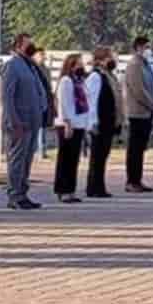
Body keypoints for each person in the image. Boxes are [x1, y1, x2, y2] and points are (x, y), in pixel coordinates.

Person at [0, 36, 49, 210]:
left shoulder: (30, 65)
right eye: (29, 44)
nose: (33, 47)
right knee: (17, 161)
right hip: (19, 122)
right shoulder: (13, 65)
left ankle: (22, 193)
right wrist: (14, 120)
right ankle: (14, 195)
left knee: (26, 160)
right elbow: (7, 96)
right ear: (19, 46)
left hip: (32, 121)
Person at [121, 36, 153, 193]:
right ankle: (131, 181)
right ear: (138, 47)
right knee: (134, 149)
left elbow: (151, 86)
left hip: (145, 113)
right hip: (137, 112)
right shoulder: (134, 65)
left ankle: (138, 180)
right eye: (146, 47)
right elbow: (138, 90)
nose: (148, 51)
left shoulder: (145, 65)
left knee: (140, 149)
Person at [53, 53, 94, 204]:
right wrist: (67, 123)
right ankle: (62, 190)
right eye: (78, 64)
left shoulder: (80, 82)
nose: (81, 67)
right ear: (70, 66)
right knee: (65, 158)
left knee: (74, 159)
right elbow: (63, 103)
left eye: (81, 64)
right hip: (67, 124)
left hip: (79, 124)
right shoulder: (66, 81)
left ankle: (71, 189)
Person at [84, 47, 122, 199]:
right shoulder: (96, 76)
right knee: (97, 156)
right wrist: (93, 123)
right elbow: (92, 101)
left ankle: (99, 185)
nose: (112, 60)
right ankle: (93, 187)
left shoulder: (109, 76)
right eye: (110, 57)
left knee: (103, 155)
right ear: (101, 60)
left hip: (108, 121)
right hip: (99, 122)